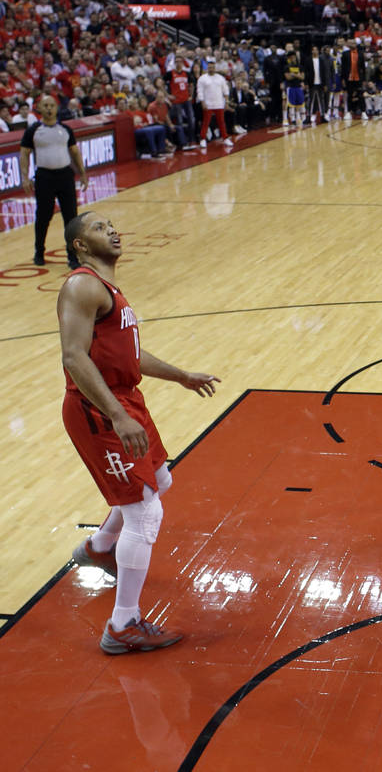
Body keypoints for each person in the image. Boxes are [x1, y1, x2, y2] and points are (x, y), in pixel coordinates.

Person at [60, 211, 220, 653]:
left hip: (124, 401)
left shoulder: (108, 288)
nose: (112, 230)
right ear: (80, 246)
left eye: (112, 224)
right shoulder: (82, 285)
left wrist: (181, 375)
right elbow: (73, 357)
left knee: (160, 478)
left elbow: (128, 351)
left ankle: (99, 546)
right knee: (145, 513)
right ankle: (122, 625)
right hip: (99, 409)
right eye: (98, 228)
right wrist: (115, 415)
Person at [19, 95, 90, 268]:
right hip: (44, 177)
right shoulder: (33, 130)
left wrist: (82, 173)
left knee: (71, 218)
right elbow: (24, 154)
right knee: (43, 216)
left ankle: (72, 257)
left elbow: (75, 152)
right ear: (40, 109)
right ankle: (39, 252)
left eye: (52, 105)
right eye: (46, 105)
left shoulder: (65, 129)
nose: (49, 108)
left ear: (57, 108)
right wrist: (25, 177)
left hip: (65, 176)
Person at [196, 61, 233, 148]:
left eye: (213, 67)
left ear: (215, 68)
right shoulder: (202, 79)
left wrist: (226, 102)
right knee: (206, 122)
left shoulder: (220, 78)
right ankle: (203, 139)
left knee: (221, 122)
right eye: (209, 67)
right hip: (208, 104)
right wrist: (203, 102)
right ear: (207, 68)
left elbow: (225, 90)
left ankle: (225, 138)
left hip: (219, 103)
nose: (211, 69)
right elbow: (200, 91)